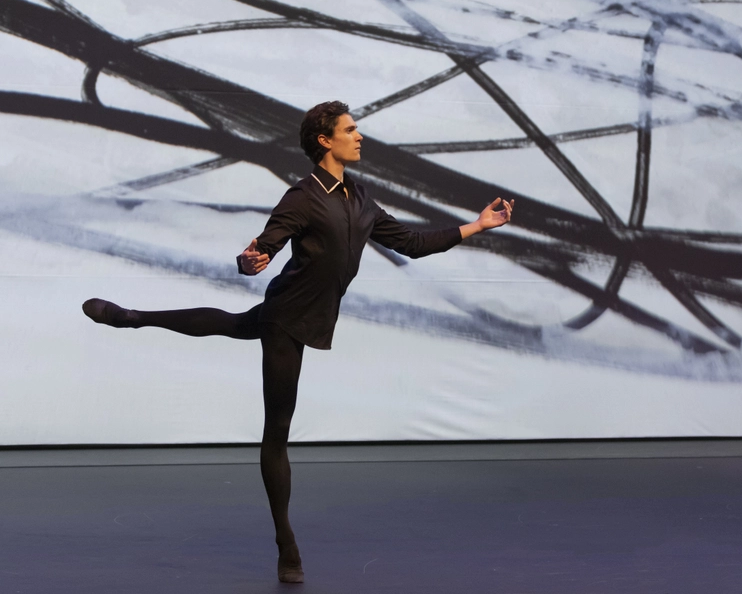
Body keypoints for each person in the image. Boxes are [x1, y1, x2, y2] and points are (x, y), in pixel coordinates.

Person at [82, 100, 514, 583]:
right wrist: (251, 260)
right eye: (351, 130)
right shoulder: (302, 196)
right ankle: (286, 543)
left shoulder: (360, 197)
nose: (359, 136)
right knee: (277, 427)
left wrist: (477, 225)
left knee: (234, 323)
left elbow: (411, 243)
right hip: (288, 316)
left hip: (309, 315)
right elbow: (265, 244)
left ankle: (133, 317)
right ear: (325, 141)